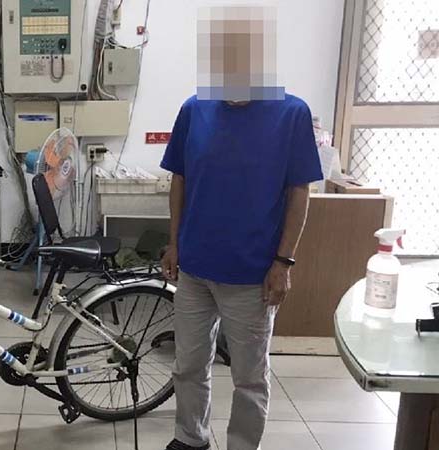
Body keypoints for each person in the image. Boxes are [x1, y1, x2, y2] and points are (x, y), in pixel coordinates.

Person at [159, 6, 323, 450]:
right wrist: (173, 244)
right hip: (195, 268)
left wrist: (283, 262)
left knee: (249, 376)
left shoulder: (291, 114)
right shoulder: (194, 109)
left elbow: (299, 192)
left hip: (253, 276)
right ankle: (190, 437)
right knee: (188, 365)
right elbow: (179, 180)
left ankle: (243, 445)